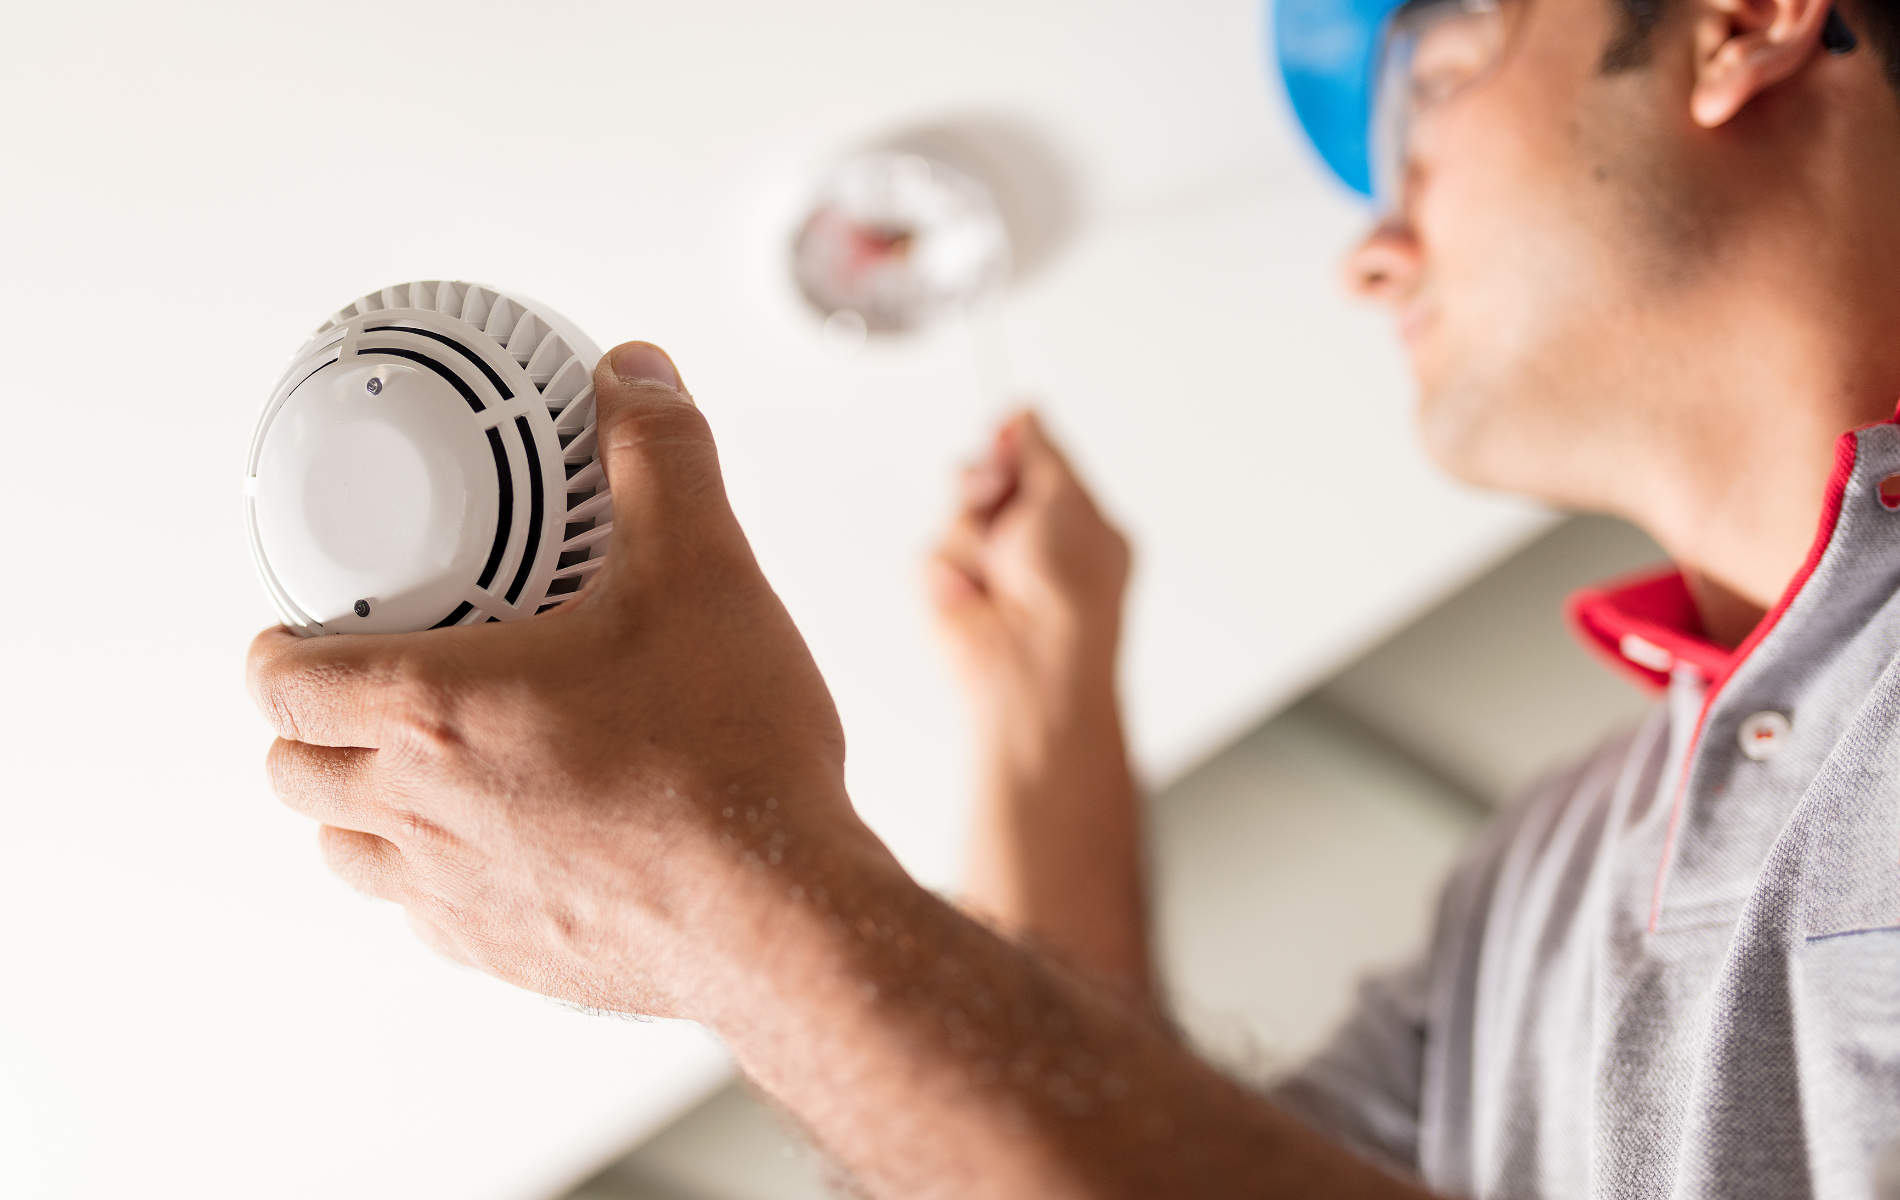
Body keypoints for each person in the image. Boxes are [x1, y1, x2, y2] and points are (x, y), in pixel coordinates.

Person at [246, 0, 1900, 1189]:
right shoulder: (1544, 878)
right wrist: (1046, 731)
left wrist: (727, 897)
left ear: (1743, 22)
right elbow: (1144, 1154)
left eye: (1437, 80)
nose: (1370, 249)